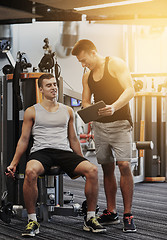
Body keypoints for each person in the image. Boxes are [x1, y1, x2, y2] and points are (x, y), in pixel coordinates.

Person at [6, 73, 106, 237]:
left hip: (63, 151)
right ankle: (32, 220)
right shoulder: (32, 111)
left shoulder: (67, 111)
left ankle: (90, 218)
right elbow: (24, 140)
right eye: (49, 85)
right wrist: (14, 163)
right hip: (41, 151)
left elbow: (73, 138)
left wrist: (81, 159)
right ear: (41, 90)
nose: (53, 88)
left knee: (93, 170)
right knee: (30, 171)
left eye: (54, 84)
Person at [72, 39, 136, 233]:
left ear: (93, 52)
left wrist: (114, 107)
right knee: (107, 168)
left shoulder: (115, 63)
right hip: (100, 127)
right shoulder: (87, 75)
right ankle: (111, 212)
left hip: (120, 124)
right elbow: (84, 101)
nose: (83, 65)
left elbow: (130, 89)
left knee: (124, 165)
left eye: (84, 60)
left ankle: (128, 214)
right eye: (80, 62)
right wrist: (88, 110)